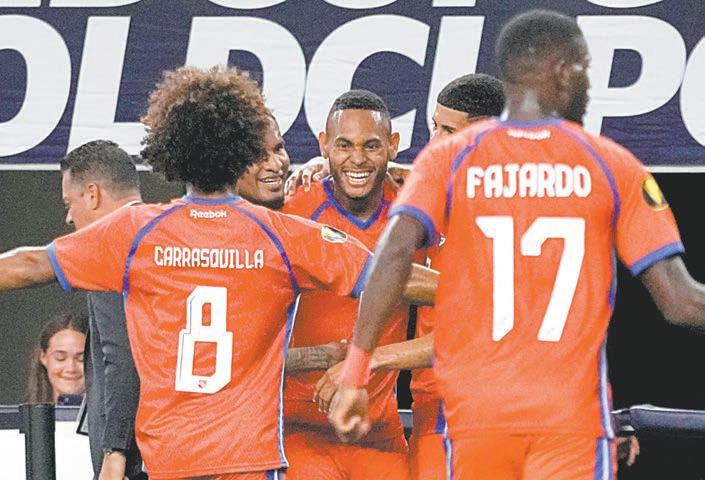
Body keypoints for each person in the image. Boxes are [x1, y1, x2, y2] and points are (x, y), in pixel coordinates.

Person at [0, 66, 433, 480]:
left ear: (172, 149)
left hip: (169, 458)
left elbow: (29, 265)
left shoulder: (137, 232)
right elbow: (393, 276)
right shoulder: (284, 235)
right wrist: (466, 286)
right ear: (242, 150)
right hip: (249, 458)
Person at [330, 9, 705, 480]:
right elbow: (681, 302)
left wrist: (356, 370)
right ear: (567, 72)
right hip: (570, 419)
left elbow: (391, 258)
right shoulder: (612, 166)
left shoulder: (448, 161)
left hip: (479, 417)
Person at [310, 73, 505, 480]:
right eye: (435, 126)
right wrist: (332, 165)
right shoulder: (440, 194)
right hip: (434, 410)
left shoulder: (503, 218)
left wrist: (368, 361)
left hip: (483, 408)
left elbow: (475, 331)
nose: (434, 141)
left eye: (448, 131)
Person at [279, 89, 412, 480]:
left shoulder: (415, 211)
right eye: (343, 145)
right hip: (300, 431)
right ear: (324, 145)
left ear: (392, 145)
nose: (357, 159)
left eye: (371, 146)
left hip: (380, 434)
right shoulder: (291, 209)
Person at [60, 139, 146, 480]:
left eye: (70, 203)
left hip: (135, 459)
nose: (69, 217)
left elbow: (123, 357)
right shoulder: (167, 236)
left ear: (93, 194)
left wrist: (115, 451)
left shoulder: (110, 247)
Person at [26, 312, 87, 404]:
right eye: (60, 358)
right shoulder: (23, 413)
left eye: (81, 359)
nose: (71, 369)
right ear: (43, 357)